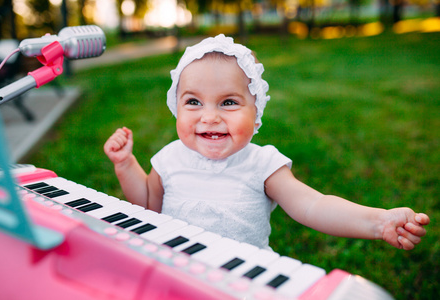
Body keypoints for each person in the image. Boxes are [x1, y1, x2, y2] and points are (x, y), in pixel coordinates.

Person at [104, 34, 429, 251]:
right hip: (177, 272)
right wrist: (125, 165)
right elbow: (147, 206)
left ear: (255, 111)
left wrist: (377, 221)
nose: (210, 117)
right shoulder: (169, 159)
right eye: (193, 102)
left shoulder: (262, 165)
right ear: (176, 106)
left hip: (244, 278)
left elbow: (313, 205)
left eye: (228, 102)